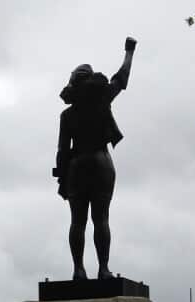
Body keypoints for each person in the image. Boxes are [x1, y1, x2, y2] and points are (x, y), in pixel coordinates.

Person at [53, 36, 136, 280]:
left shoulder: (67, 115)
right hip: (101, 163)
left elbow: (61, 149)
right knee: (101, 219)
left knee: (77, 221)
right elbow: (122, 78)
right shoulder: (103, 99)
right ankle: (103, 269)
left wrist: (61, 176)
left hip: (77, 166)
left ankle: (78, 270)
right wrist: (129, 53)